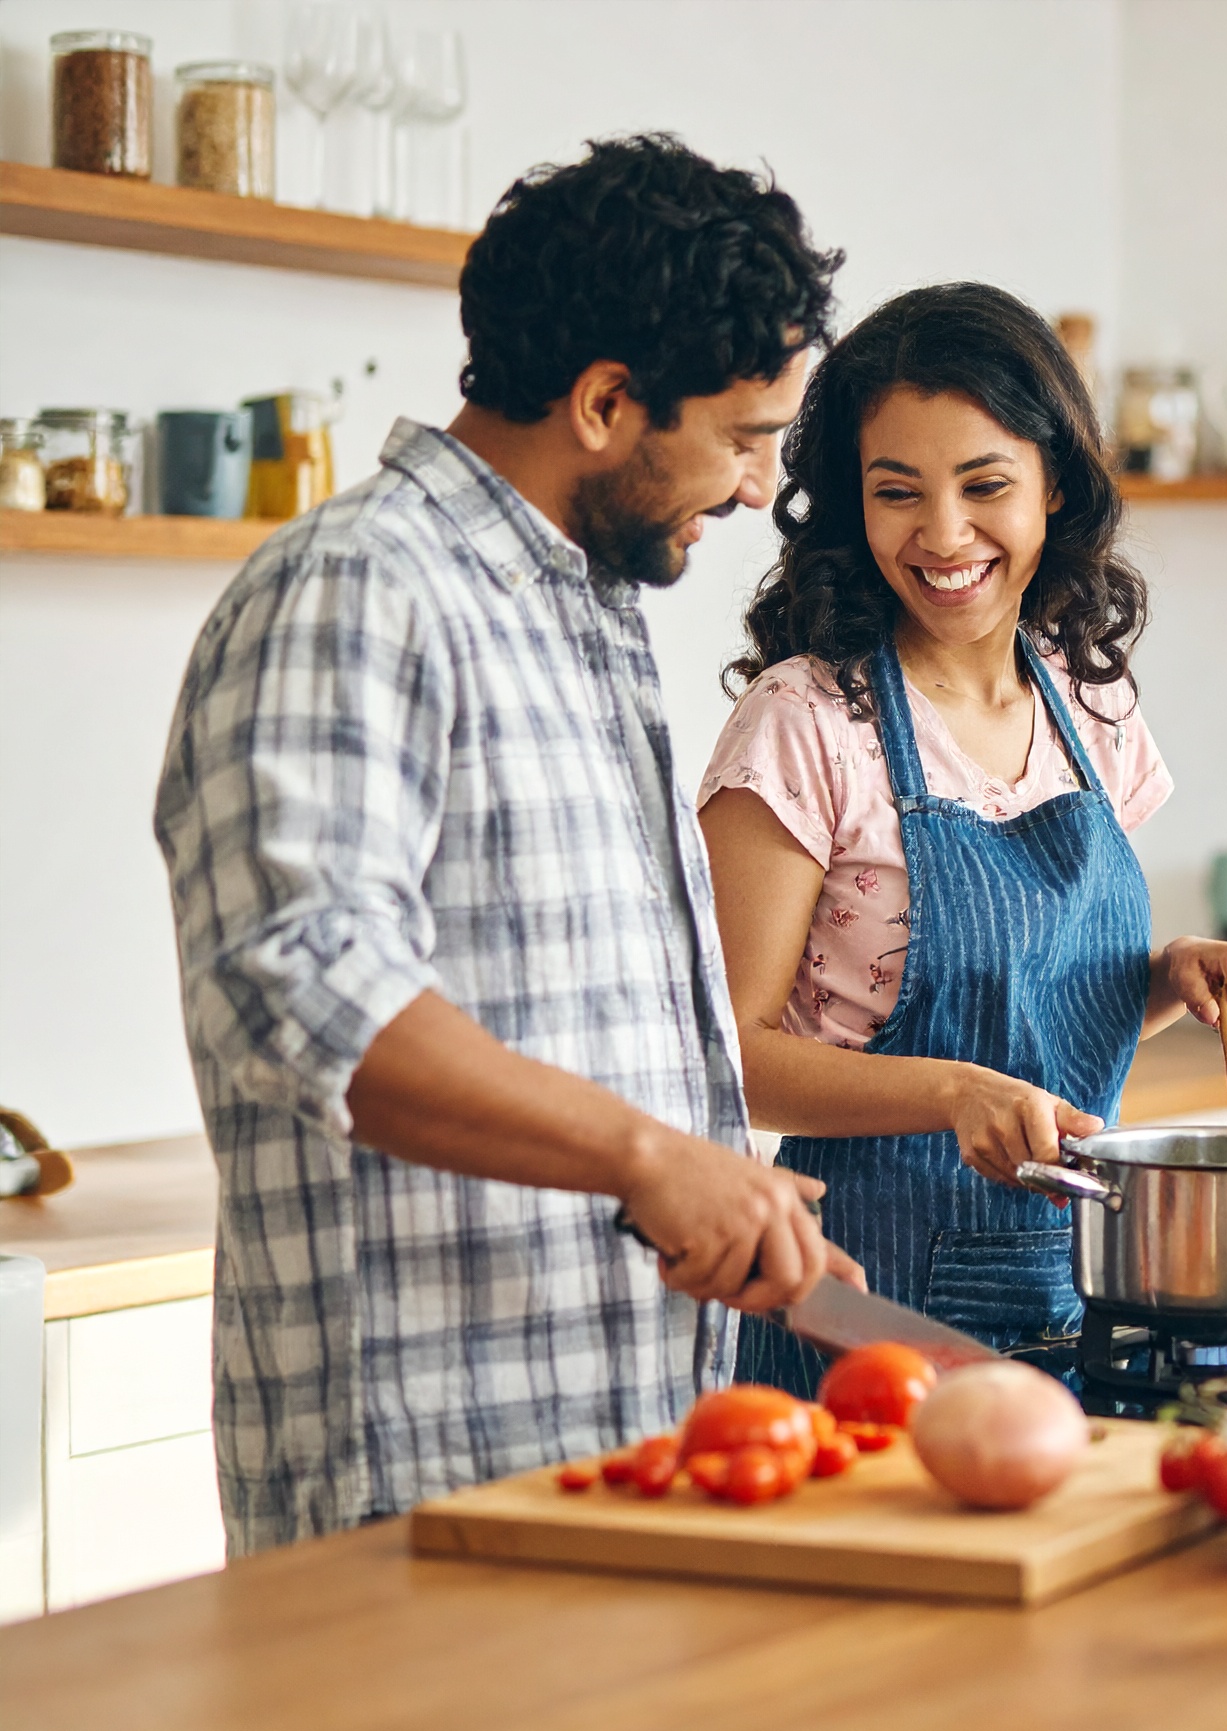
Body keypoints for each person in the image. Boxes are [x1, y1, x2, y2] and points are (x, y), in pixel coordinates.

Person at [154, 135, 849, 1553]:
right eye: (742, 439)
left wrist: (691, 1166)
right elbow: (301, 992)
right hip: (423, 1464)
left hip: (601, 1439)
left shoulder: (574, 610)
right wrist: (650, 1156)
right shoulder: (359, 588)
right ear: (605, 402)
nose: (748, 491)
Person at [696, 282, 1227, 1392]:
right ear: (850, 505)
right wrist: (947, 1093)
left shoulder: (1092, 702)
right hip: (859, 1303)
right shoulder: (806, 721)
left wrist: (1183, 975)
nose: (943, 535)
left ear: (1053, 486)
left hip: (1085, 1286)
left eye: (985, 486)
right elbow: (725, 1055)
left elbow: (1062, 999)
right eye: (897, 493)